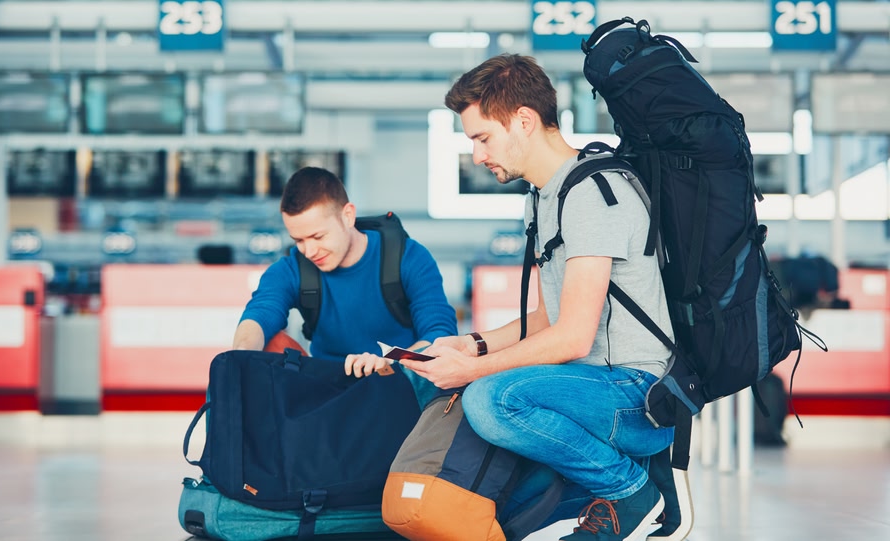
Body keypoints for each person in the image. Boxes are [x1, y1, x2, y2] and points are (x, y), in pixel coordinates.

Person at [349, 54, 676, 540]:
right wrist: (472, 345)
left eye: (483, 138)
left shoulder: (593, 192)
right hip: (586, 385)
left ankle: (631, 493)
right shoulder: (546, 195)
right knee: (443, 380)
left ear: (523, 120)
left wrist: (475, 370)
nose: (478, 155)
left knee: (491, 399)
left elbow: (572, 337)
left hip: (634, 393)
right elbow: (546, 319)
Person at [232, 166, 458, 375]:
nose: (309, 251)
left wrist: (391, 360)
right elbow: (259, 315)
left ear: (348, 216)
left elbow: (440, 334)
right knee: (266, 345)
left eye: (318, 236)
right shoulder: (291, 269)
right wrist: (239, 358)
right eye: (298, 240)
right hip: (327, 390)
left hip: (397, 381)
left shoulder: (408, 257)